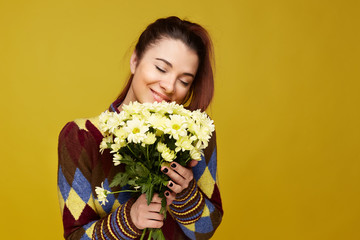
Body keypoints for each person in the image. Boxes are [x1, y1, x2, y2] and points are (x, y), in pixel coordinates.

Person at [57, 16, 223, 240]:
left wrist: (185, 195)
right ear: (135, 60)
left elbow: (206, 231)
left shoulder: (195, 135)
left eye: (184, 81)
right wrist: (129, 219)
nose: (169, 86)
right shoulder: (83, 136)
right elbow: (75, 237)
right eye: (161, 68)